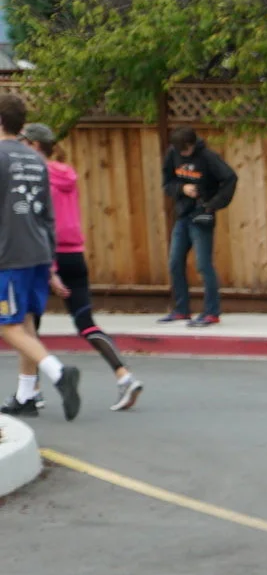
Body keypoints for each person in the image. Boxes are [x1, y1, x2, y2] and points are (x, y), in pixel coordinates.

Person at [23, 124, 142, 411]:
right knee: (85, 322)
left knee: (28, 326)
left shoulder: (36, 175)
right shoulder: (67, 173)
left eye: (25, 142)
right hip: (75, 254)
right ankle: (124, 376)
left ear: (35, 146)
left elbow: (43, 222)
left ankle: (32, 390)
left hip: (46, 256)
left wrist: (51, 268)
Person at [0, 96, 77, 421]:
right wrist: (51, 263)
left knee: (7, 326)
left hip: (9, 253)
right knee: (27, 321)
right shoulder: (34, 159)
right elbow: (47, 215)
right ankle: (26, 394)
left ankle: (58, 373)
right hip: (38, 253)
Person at [160, 126, 235, 327]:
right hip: (182, 215)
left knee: (203, 264)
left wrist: (213, 204)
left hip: (201, 215)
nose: (183, 154)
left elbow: (230, 178)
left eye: (186, 150)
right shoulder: (172, 155)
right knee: (175, 262)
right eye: (180, 151)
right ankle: (181, 309)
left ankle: (211, 312)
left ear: (192, 144)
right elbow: (167, 183)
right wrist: (182, 188)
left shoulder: (208, 157)